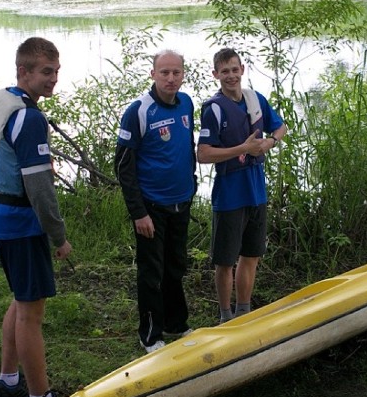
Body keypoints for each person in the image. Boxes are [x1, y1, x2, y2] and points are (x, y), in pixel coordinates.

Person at [0, 37, 72, 397]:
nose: (53, 79)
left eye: (56, 71)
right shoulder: (29, 118)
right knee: (31, 312)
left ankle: (7, 381)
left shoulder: (2, 99)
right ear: (23, 71)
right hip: (20, 222)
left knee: (20, 299)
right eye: (45, 72)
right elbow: (39, 188)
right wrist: (59, 236)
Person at [115, 50, 197, 353]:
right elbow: (123, 165)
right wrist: (138, 212)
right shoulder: (139, 111)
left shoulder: (187, 103)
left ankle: (176, 323)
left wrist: (192, 184)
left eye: (176, 72)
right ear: (153, 74)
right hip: (151, 207)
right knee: (152, 271)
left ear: (183, 74)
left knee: (176, 266)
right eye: (164, 72)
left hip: (181, 202)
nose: (171, 78)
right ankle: (150, 333)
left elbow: (187, 146)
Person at [197, 48, 287, 324]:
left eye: (235, 70)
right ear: (216, 75)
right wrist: (244, 148)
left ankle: (244, 312)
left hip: (256, 191)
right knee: (225, 261)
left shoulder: (255, 99)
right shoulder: (212, 108)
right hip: (229, 195)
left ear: (242, 70)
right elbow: (203, 154)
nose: (231, 76)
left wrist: (269, 143)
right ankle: (225, 316)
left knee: (251, 255)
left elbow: (281, 127)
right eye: (225, 71)